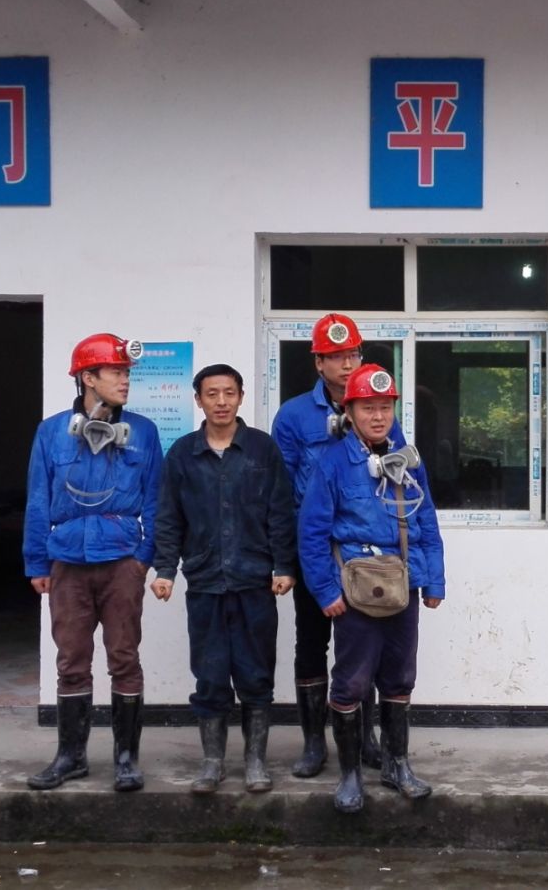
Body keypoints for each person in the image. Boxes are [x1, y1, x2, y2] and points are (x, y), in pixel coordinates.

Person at [297, 364, 444, 814]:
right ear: (350, 411)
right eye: (368, 408)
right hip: (355, 590)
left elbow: (426, 520)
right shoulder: (332, 464)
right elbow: (312, 533)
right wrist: (326, 592)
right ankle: (349, 775)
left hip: (403, 585)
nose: (378, 416)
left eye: (385, 407)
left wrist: (434, 580)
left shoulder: (408, 459)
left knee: (399, 677)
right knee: (352, 682)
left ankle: (397, 766)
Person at [23, 333, 163, 792]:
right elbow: (38, 499)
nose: (125, 381)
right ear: (88, 377)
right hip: (66, 563)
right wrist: (37, 562)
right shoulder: (51, 433)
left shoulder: (143, 432)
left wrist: (143, 559)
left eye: (127, 373)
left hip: (121, 561)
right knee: (71, 661)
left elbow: (156, 501)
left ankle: (126, 759)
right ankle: (71, 757)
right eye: (116, 372)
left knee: (124, 657)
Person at [271, 313, 405, 778]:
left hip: (365, 556)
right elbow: (281, 491)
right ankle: (313, 743)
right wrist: (286, 559)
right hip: (315, 550)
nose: (347, 364)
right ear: (318, 362)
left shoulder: (377, 409)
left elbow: (397, 477)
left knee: (364, 647)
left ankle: (365, 738)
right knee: (311, 643)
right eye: (335, 357)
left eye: (352, 355)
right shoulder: (293, 416)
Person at [151, 364, 296, 794]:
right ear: (198, 400)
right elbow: (168, 517)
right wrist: (165, 570)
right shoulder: (182, 454)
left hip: (254, 581)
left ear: (241, 397)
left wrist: (283, 565)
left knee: (255, 673)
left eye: (229, 393)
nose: (221, 402)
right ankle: (212, 762)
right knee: (210, 674)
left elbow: (280, 512)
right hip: (205, 581)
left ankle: (255, 761)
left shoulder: (262, 449)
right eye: (211, 394)